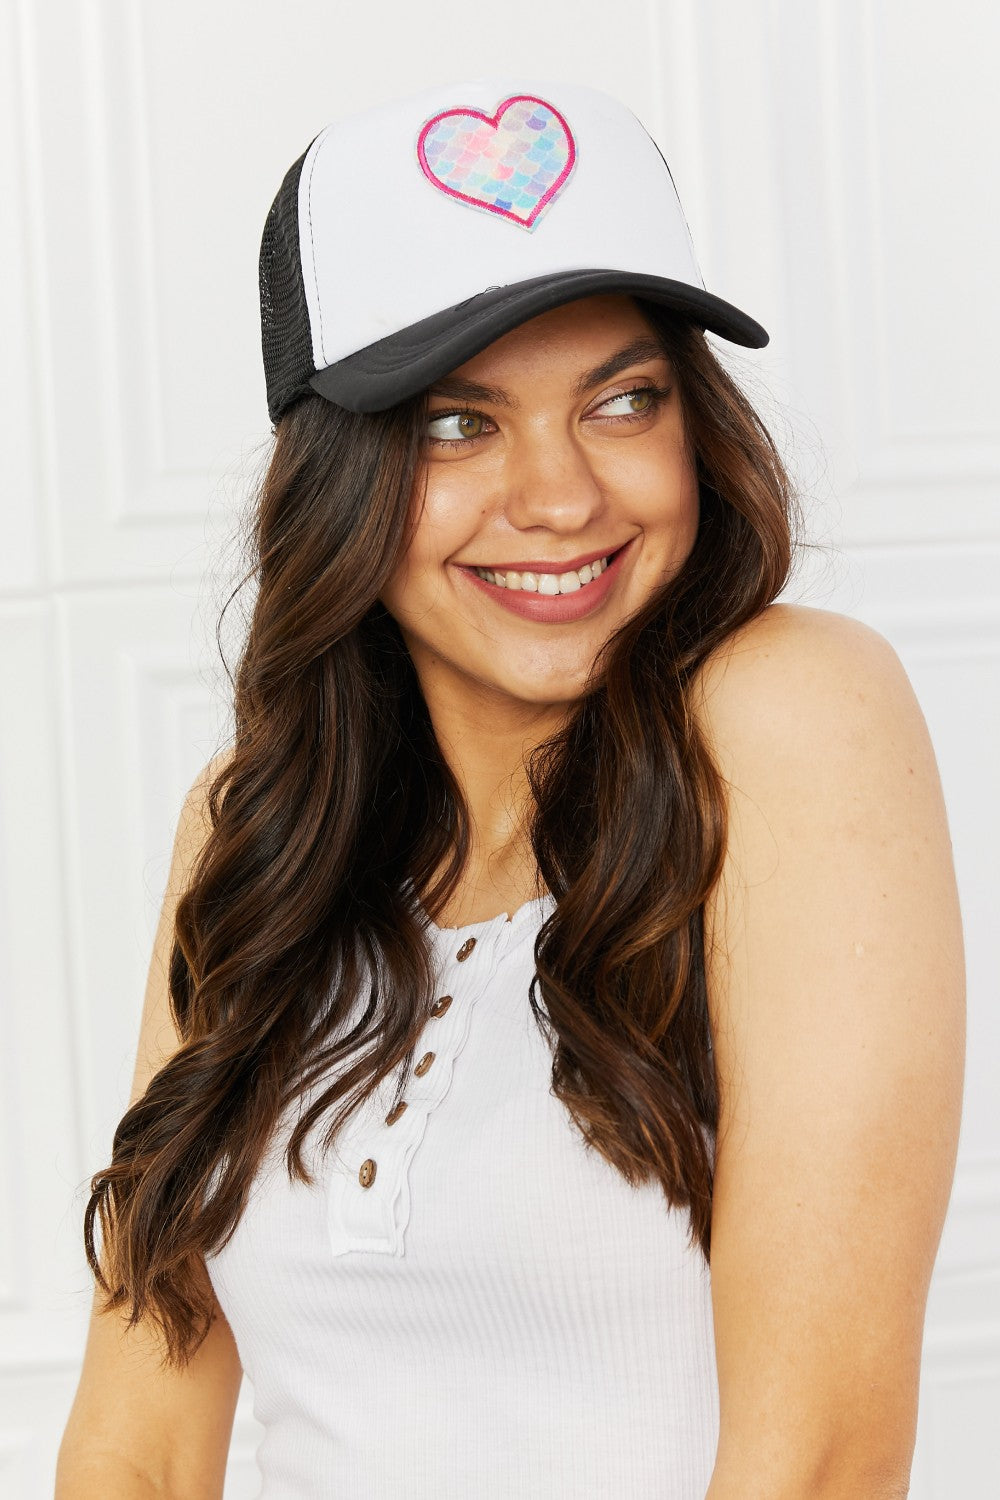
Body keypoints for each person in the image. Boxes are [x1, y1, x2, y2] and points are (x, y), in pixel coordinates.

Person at [55, 79, 965, 1500]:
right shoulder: (255, 828)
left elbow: (825, 1463)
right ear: (333, 476)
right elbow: (137, 1445)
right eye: (457, 423)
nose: (560, 498)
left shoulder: (792, 714)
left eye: (622, 399)